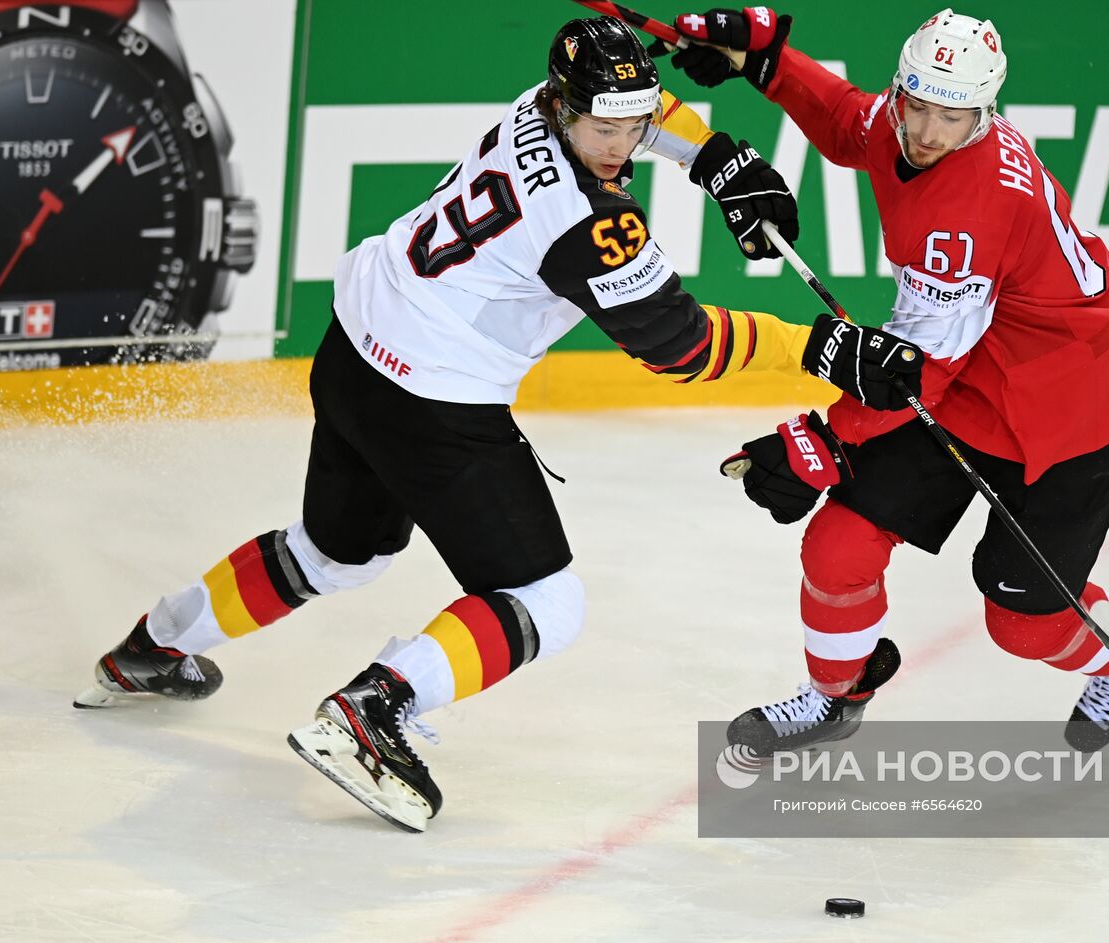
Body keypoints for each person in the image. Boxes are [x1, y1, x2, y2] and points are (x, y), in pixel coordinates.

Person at [71, 16, 922, 832]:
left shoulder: (539, 101)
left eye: (633, 123)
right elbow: (679, 344)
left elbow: (643, 106)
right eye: (605, 129)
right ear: (565, 106)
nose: (623, 145)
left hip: (358, 349)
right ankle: (374, 707)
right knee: (548, 602)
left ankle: (152, 645)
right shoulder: (595, 227)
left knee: (335, 553)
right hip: (432, 399)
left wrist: (717, 160)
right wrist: (821, 345)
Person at [662, 7, 1109, 755]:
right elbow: (848, 123)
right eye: (920, 106)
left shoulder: (970, 210)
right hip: (964, 383)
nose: (930, 132)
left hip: (1066, 409)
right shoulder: (904, 120)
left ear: (986, 110)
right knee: (838, 544)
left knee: (1022, 621)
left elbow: (919, 370)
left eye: (955, 116)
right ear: (902, 88)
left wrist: (822, 439)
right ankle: (836, 694)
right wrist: (764, 63)